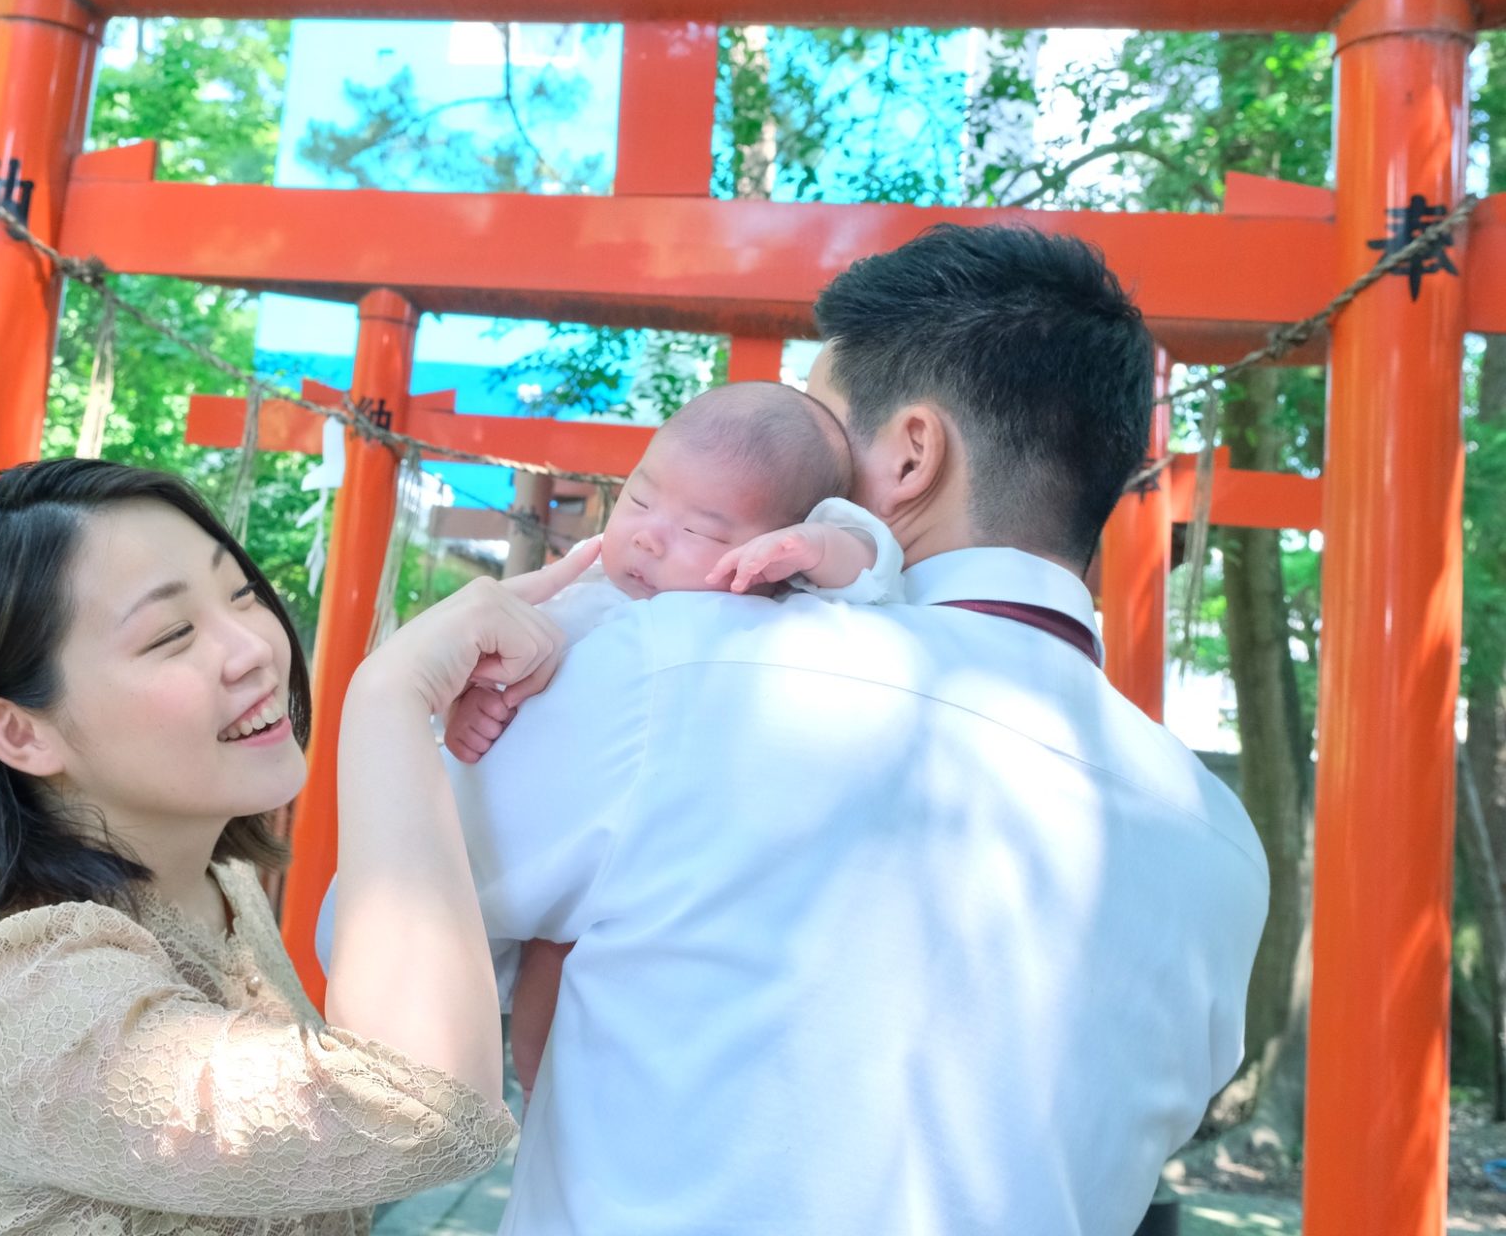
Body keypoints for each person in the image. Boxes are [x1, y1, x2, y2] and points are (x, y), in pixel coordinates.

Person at [443, 225, 1270, 1234]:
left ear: (912, 452)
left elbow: (391, 930)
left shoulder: (689, 667)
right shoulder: (1224, 845)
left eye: (818, 431)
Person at [0, 458, 592, 1236]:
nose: (254, 648)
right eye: (171, 634)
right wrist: (389, 700)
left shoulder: (217, 886)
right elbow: (419, 1107)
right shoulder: (21, 997)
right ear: (21, 732)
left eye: (240, 593)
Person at [440, 381, 904, 1100]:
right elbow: (498, 681)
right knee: (541, 1009)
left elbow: (874, 568)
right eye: (640, 499)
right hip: (565, 881)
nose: (649, 535)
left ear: (775, 554)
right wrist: (478, 707)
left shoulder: (773, 607)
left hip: (680, 882)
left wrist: (820, 547)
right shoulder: (586, 594)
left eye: (704, 532)